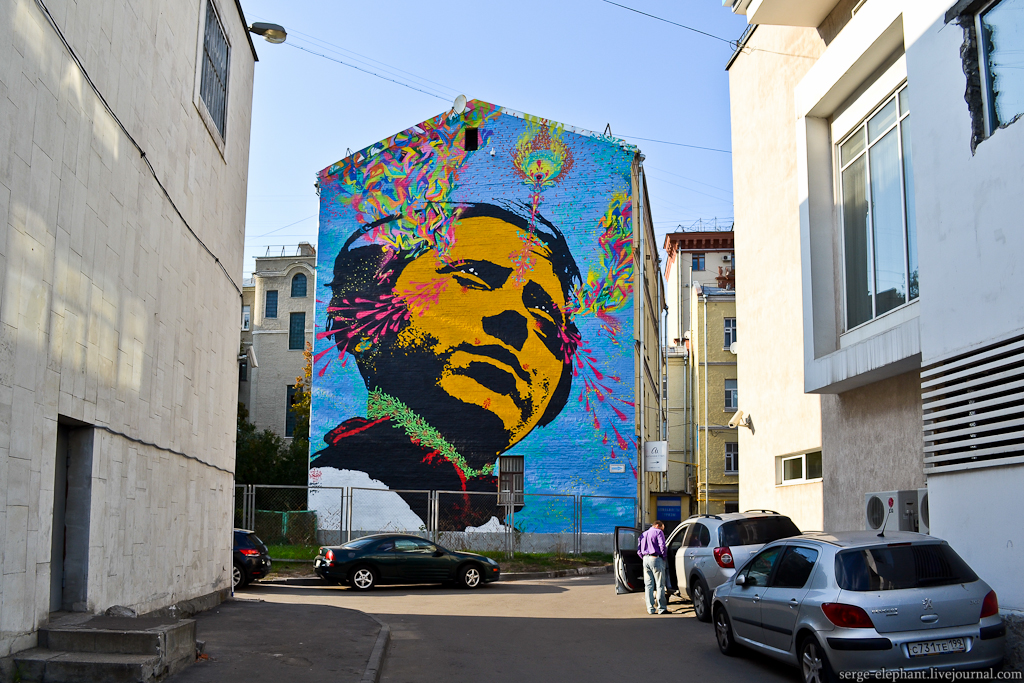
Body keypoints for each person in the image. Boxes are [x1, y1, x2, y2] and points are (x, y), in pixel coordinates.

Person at [310, 202, 582, 525]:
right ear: (361, 320)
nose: (515, 323)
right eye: (472, 275)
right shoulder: (342, 492)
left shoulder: (493, 527)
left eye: (545, 314)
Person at [638, 520, 668, 615]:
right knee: (660, 584)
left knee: (648, 585)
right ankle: (661, 608)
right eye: (662, 528)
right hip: (656, 558)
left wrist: (644, 557)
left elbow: (639, 551)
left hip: (645, 559)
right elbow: (662, 546)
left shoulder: (643, 534)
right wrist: (664, 557)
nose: (662, 530)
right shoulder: (658, 532)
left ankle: (650, 609)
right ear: (658, 525)